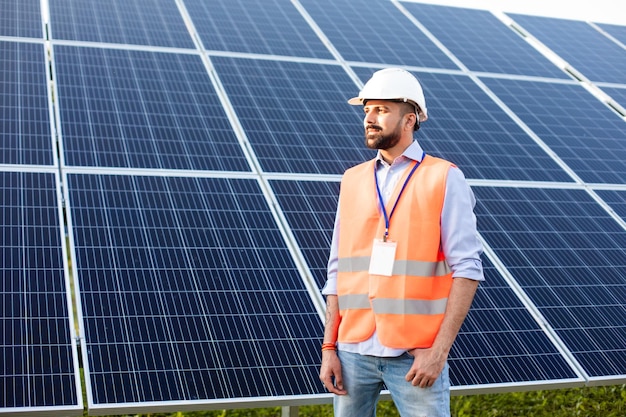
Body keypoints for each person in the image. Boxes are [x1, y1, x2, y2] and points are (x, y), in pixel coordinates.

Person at [319, 67, 484, 417]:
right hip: (352, 350)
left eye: (381, 110)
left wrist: (438, 352)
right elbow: (337, 269)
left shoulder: (444, 178)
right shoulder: (352, 180)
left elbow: (467, 269)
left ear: (409, 119)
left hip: (413, 355)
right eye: (367, 110)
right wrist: (329, 346)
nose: (369, 118)